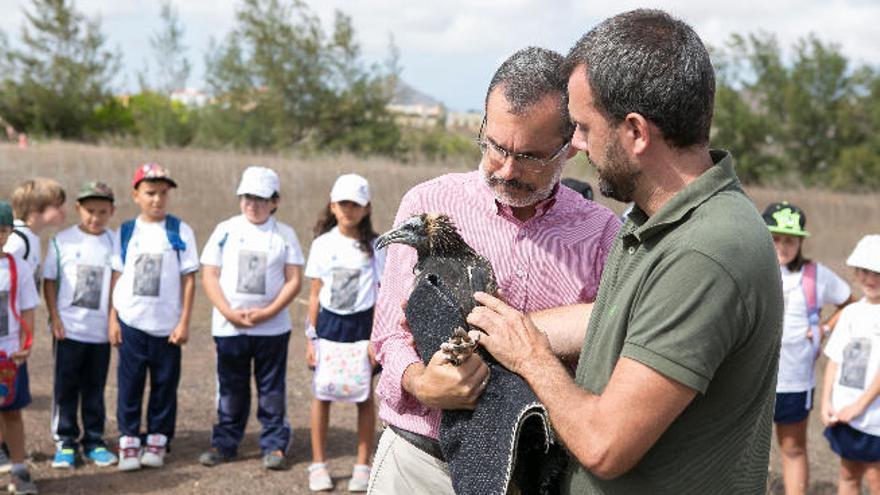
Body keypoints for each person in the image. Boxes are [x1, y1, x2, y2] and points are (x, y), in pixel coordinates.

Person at [467, 9, 783, 494]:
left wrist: (529, 356)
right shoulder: (655, 219)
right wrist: (492, 331)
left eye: (585, 127)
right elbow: (613, 322)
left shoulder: (707, 251)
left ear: (635, 132)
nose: (575, 144)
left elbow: (604, 445)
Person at [368, 47, 620, 494]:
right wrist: (424, 383)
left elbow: (610, 348)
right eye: (496, 146)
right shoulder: (426, 205)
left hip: (527, 474)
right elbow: (388, 335)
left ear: (570, 146)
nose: (506, 169)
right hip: (418, 463)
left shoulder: (602, 234)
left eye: (529, 157)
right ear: (483, 124)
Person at [197, 166, 304, 471]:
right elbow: (210, 275)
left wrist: (268, 312)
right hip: (229, 327)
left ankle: (274, 444)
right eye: (247, 197)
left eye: (260, 198)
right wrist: (228, 312)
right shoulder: (225, 230)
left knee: (271, 389)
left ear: (275, 200)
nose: (252, 204)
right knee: (231, 387)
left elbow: (293, 279)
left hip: (272, 329)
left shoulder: (285, 235)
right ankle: (225, 442)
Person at [109, 163, 199, 471]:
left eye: (163, 193)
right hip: (132, 322)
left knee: (164, 384)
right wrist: (113, 318)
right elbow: (118, 275)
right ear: (136, 195)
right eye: (150, 193)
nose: (157, 200)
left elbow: (189, 279)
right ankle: (129, 440)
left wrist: (184, 320)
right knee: (130, 384)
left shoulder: (179, 230)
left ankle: (158, 439)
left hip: (167, 326)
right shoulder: (126, 231)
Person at [763, 201, 853, 494]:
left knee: (792, 448)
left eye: (789, 239)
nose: (782, 246)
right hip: (754, 380)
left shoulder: (816, 275)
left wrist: (826, 328)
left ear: (800, 241)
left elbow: (849, 303)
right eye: (774, 237)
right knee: (748, 450)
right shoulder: (753, 268)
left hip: (795, 382)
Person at [305, 174, 386, 492]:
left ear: (366, 208)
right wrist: (310, 338)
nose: (349, 210)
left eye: (356, 204)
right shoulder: (322, 244)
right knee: (321, 394)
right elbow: (314, 293)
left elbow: (382, 294)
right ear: (332, 206)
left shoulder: (376, 246)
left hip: (363, 328)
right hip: (328, 327)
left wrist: (377, 338)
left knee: (364, 396)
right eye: (343, 204)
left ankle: (363, 464)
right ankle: (318, 463)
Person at [43, 182, 118, 470]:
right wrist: (55, 317)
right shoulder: (62, 241)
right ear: (78, 209)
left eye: (102, 212)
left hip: (99, 332)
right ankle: (65, 441)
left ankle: (95, 440)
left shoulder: (113, 241)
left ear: (111, 212)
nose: (95, 218)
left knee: (95, 387)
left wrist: (113, 320)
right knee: (65, 387)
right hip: (69, 330)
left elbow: (116, 283)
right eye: (89, 211)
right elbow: (49, 281)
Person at [1, 178, 66, 475]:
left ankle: (12, 458)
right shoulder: (21, 240)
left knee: (11, 406)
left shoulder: (26, 248)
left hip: (12, 340)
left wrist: (27, 337)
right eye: (57, 205)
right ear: (37, 209)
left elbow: (26, 300)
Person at [821, 235, 880, 495]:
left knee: (875, 477)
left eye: (878, 272)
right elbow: (835, 359)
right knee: (847, 474)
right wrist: (826, 403)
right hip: (843, 412)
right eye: (865, 271)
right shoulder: (851, 312)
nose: (871, 279)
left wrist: (859, 406)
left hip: (874, 417)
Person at [0, 201, 39, 494]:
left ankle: (19, 468)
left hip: (9, 354)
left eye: (1, 230)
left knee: (12, 412)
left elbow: (27, 309)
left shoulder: (18, 268)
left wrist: (26, 344)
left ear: (9, 232)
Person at [3, 178, 67, 293]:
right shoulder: (17, 240)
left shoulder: (31, 236)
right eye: (57, 206)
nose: (63, 210)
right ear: (35, 209)